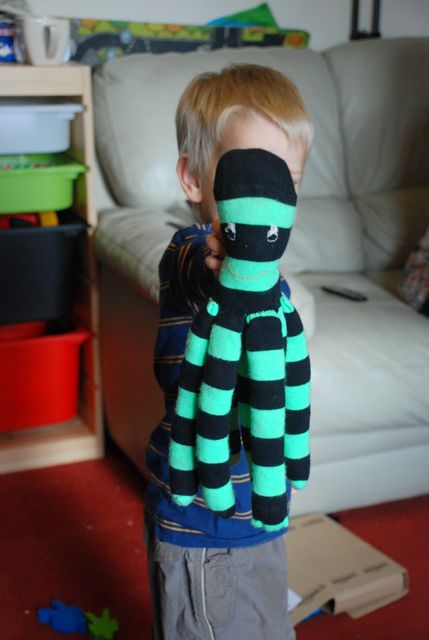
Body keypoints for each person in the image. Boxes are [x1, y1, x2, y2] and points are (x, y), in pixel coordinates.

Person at [144, 63, 313, 640]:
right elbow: (196, 267)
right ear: (194, 179)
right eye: (248, 177)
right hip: (204, 523)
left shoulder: (269, 285)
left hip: (259, 511)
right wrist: (216, 262)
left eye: (286, 180)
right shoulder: (190, 252)